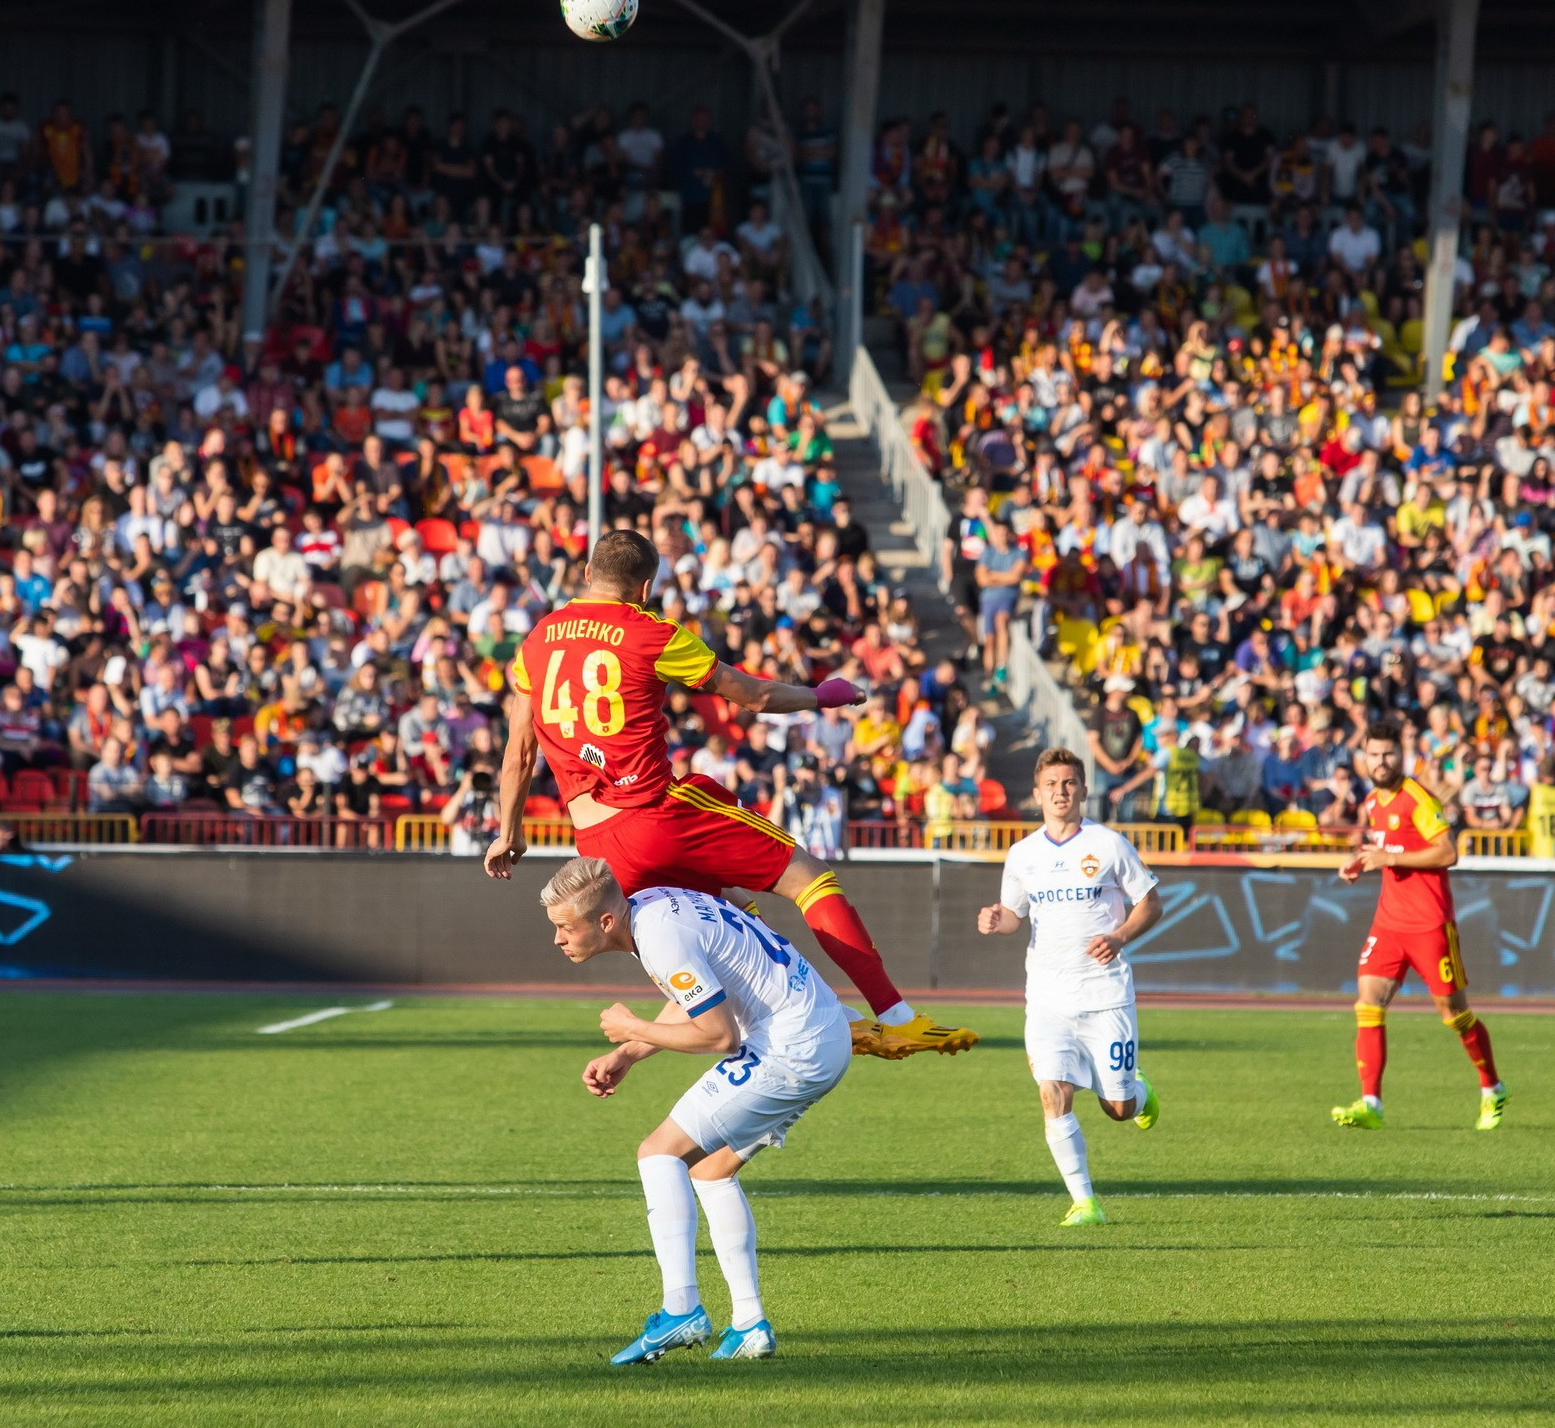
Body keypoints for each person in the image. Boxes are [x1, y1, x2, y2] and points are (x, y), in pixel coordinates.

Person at [485, 529, 976, 1061]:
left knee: (730, 912)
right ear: (646, 587)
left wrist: (509, 833)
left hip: (598, 845)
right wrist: (819, 696)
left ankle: (836, 1017)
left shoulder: (536, 641)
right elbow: (755, 696)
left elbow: (518, 754)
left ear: (586, 574)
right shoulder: (651, 632)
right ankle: (897, 1017)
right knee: (809, 878)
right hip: (658, 813)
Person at [543, 856, 852, 1365]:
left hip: (791, 1048)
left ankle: (680, 1309)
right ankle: (750, 1324)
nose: (558, 939)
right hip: (823, 1032)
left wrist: (633, 1028)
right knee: (711, 1171)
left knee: (658, 1153)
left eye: (564, 927)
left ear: (605, 921)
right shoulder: (653, 907)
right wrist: (628, 1054)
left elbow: (718, 1035)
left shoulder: (659, 936)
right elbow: (701, 993)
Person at [978, 748, 1164, 1225]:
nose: (1060, 791)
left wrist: (1120, 936)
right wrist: (997, 919)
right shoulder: (1023, 854)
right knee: (1052, 1091)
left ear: (1082, 790)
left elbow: (1151, 903)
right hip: (1047, 999)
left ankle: (1139, 1091)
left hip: (1105, 995)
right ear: (1037, 794)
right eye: (1051, 784)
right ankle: (1085, 1202)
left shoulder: (1109, 844)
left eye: (1068, 783)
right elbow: (1014, 916)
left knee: (1118, 1108)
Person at [1331, 717, 1507, 1132]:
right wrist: (1361, 860)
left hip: (1429, 924)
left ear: (1401, 756)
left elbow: (1447, 852)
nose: (1381, 761)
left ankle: (1492, 1088)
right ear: (1364, 757)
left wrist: (1388, 858)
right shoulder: (1373, 802)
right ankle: (1371, 1103)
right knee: (1368, 1003)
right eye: (1374, 754)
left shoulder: (1418, 799)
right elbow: (1388, 846)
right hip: (1389, 923)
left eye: (1388, 754)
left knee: (1454, 1014)